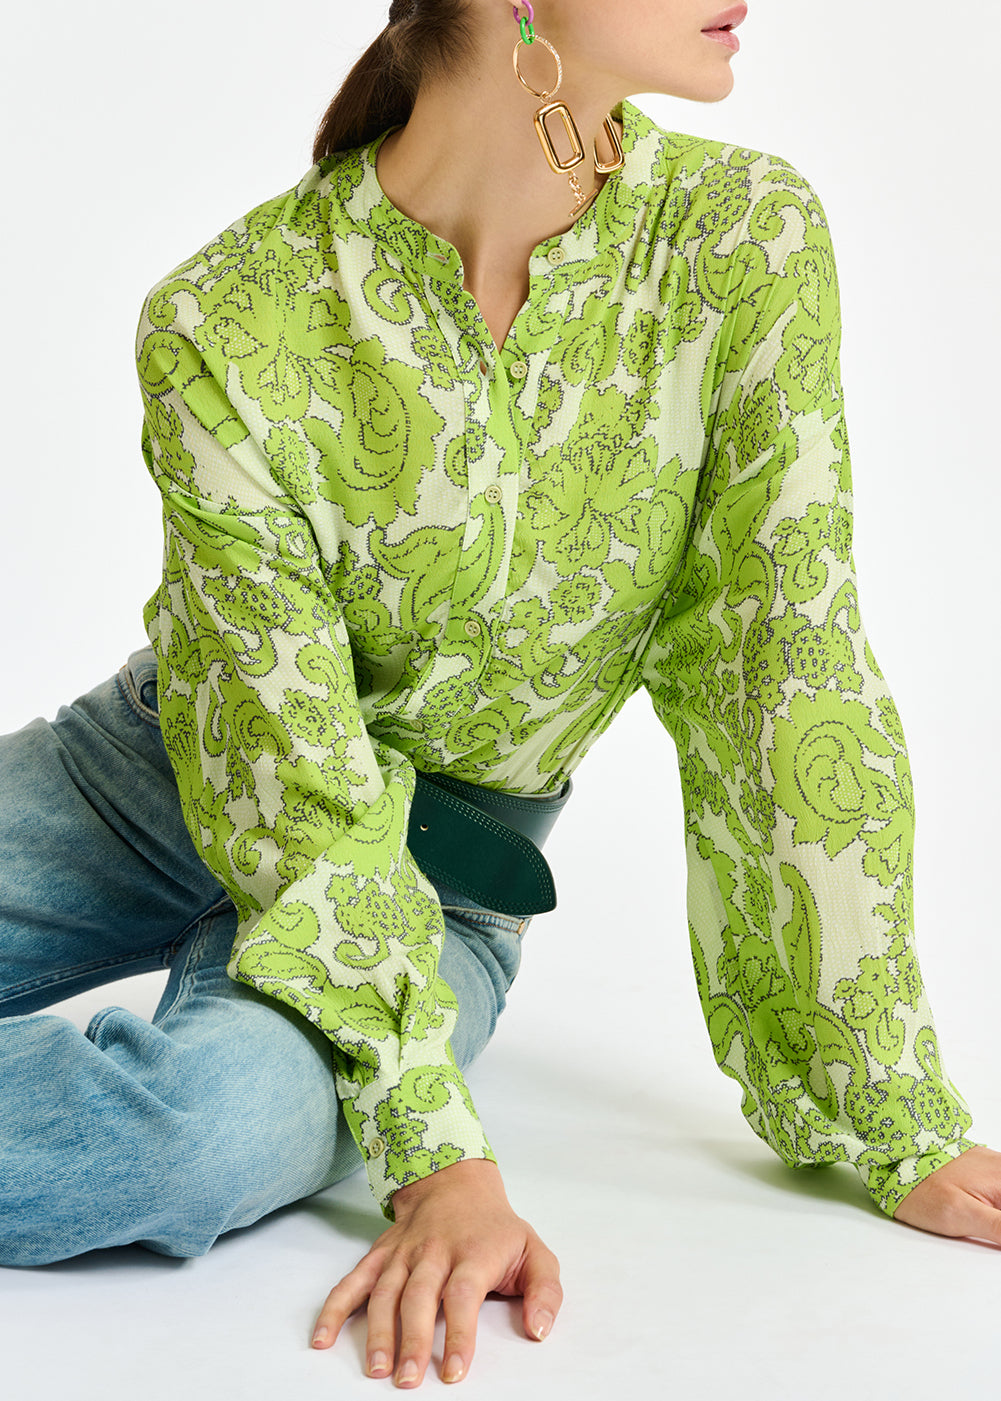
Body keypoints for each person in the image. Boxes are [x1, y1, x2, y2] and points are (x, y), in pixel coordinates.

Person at [1, 0, 999, 1390]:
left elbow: (780, 667)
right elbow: (286, 767)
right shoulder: (226, 314)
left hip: (443, 879)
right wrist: (441, 1160)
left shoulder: (740, 243)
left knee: (183, 1146)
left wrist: (883, 1111)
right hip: (161, 775)